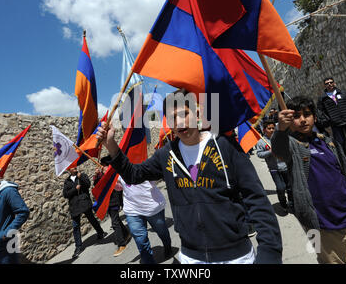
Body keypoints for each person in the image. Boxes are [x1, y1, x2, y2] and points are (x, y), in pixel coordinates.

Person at [97, 88, 282, 264]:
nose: (179, 122)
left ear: (198, 114)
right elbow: (133, 175)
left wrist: (270, 252)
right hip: (191, 256)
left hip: (236, 255)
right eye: (172, 117)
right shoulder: (165, 155)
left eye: (184, 114)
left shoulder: (226, 146)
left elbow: (256, 199)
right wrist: (111, 145)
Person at [271, 96, 346, 264]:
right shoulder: (292, 145)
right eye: (296, 116)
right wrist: (280, 129)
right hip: (321, 229)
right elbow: (279, 150)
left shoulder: (329, 143)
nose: (303, 119)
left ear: (315, 117)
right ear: (290, 120)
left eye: (307, 114)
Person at [101, 153, 173, 264]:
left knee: (162, 231)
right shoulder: (118, 171)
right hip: (132, 209)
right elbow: (120, 188)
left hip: (152, 207)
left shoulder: (142, 163)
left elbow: (156, 176)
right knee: (140, 239)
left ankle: (167, 246)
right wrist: (109, 177)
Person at [63, 166, 106, 259]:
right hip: (74, 206)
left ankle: (100, 232)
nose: (74, 168)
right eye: (72, 167)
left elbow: (88, 184)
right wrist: (75, 189)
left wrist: (81, 177)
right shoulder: (67, 181)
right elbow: (65, 194)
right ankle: (78, 246)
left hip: (84, 202)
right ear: (69, 170)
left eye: (75, 166)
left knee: (91, 219)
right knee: (75, 226)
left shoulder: (82, 175)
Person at [93, 158, 131, 258]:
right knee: (116, 219)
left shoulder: (112, 173)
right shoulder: (101, 175)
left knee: (114, 223)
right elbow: (97, 186)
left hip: (114, 200)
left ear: (108, 166)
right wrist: (97, 176)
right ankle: (126, 233)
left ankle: (121, 244)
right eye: (101, 165)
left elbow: (117, 186)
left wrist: (106, 174)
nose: (102, 167)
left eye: (103, 165)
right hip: (107, 201)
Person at [256, 119, 292, 212]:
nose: (272, 130)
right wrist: (270, 152)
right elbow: (259, 154)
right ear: (264, 130)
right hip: (274, 169)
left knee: (289, 187)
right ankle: (283, 203)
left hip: (284, 167)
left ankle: (292, 203)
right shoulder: (261, 142)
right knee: (281, 188)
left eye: (273, 128)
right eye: (269, 128)